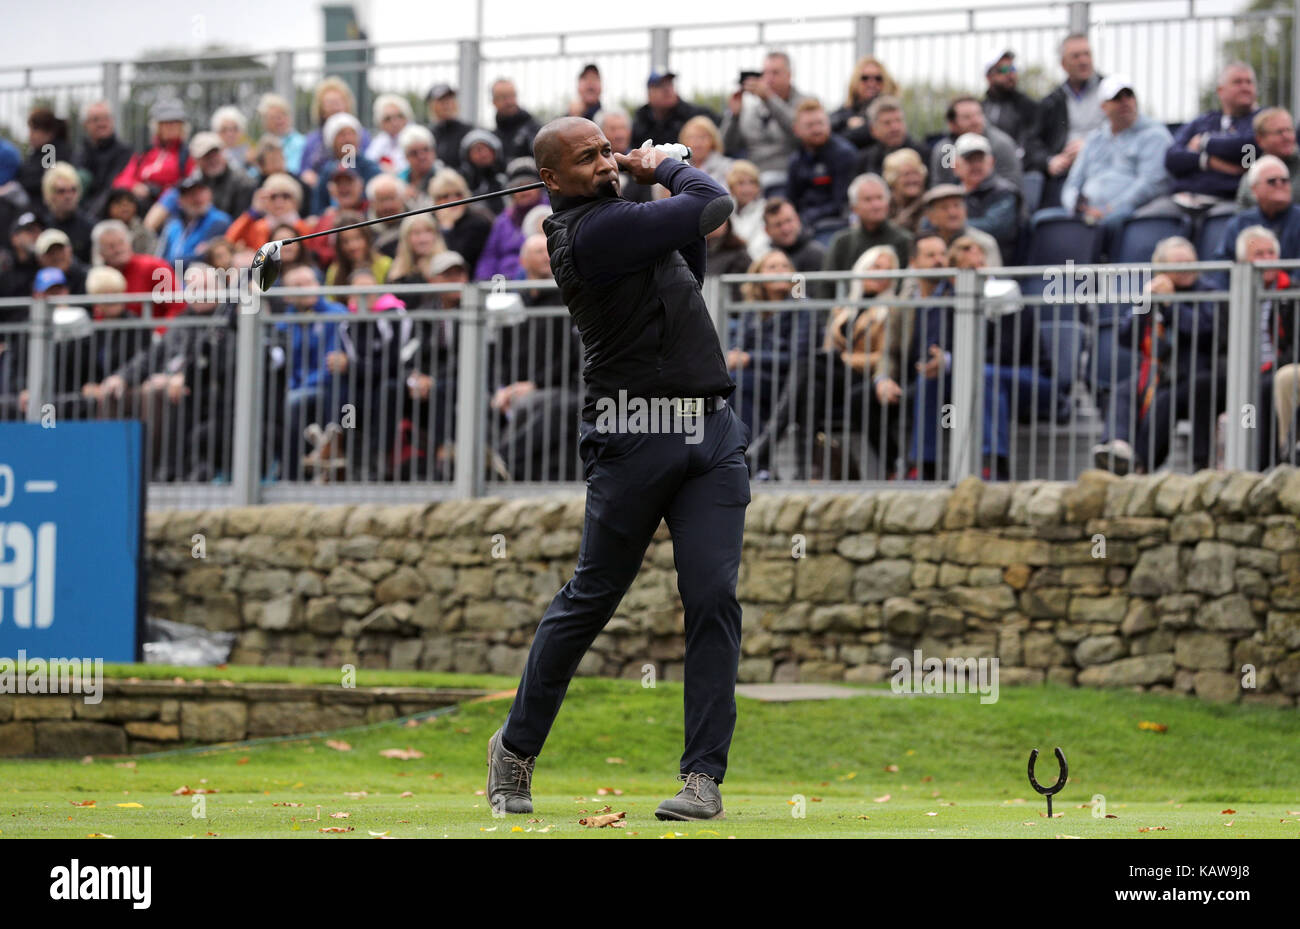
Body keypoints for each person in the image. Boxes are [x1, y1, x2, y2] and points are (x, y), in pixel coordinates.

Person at [488, 116, 749, 823]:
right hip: (633, 434)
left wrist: (653, 179)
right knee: (593, 595)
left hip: (709, 431)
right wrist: (663, 164)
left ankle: (702, 777)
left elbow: (688, 267)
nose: (605, 163)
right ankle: (514, 747)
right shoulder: (589, 233)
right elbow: (711, 204)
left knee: (713, 596)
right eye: (588, 157)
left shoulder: (629, 220)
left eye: (608, 150)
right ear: (552, 179)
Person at [1091, 236, 1222, 475]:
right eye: (1178, 264)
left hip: (1195, 375)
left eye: (1189, 262)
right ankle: (1117, 447)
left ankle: (1139, 465)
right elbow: (1125, 337)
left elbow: (1203, 330)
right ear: (1161, 268)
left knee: (1164, 401)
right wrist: (1144, 302)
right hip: (1159, 373)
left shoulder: (1209, 291)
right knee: (1122, 391)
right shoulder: (1155, 291)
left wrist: (1171, 304)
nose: (1186, 269)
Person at [489, 233, 584, 481]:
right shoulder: (513, 302)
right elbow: (502, 354)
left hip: (560, 386)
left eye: (548, 250)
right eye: (538, 252)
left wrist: (534, 385)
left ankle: (503, 459)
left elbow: (569, 356)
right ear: (522, 261)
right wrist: (504, 388)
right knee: (481, 402)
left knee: (539, 405)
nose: (545, 256)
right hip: (517, 387)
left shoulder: (568, 300)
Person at [726, 248, 808, 478]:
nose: (780, 271)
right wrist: (737, 355)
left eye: (785, 266)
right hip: (754, 379)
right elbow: (739, 346)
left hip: (789, 380)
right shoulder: (751, 310)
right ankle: (756, 463)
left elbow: (796, 356)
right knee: (736, 386)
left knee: (740, 384)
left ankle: (756, 462)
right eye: (773, 267)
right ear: (759, 275)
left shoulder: (802, 306)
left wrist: (750, 358)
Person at [1059, 76, 1172, 240]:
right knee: (1046, 223)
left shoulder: (1155, 135)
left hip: (1130, 212)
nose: (1125, 101)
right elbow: (1072, 184)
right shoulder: (1094, 139)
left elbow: (1150, 184)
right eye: (1117, 98)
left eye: (1129, 95)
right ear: (1103, 106)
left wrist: (1110, 209)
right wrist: (1075, 206)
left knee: (1106, 223)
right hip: (1088, 213)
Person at [272, 263, 350, 480]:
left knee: (293, 402)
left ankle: (308, 463)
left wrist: (301, 385)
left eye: (309, 282)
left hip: (329, 386)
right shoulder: (283, 323)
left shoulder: (336, 314)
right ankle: (292, 471)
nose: (306, 288)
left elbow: (332, 360)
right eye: (298, 285)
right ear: (287, 296)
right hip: (299, 386)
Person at [1027, 33, 1105, 209]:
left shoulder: (1112, 94)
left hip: (1104, 172)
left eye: (1087, 54)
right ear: (1063, 63)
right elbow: (1031, 144)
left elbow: (1125, 133)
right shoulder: (1052, 102)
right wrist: (1049, 160)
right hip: (1065, 175)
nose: (1083, 60)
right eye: (1076, 56)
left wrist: (1090, 146)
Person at [1164, 61, 1259, 206]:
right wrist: (1208, 161)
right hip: (1183, 198)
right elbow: (1172, 158)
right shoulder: (1203, 121)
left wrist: (1205, 142)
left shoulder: (1262, 119)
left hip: (1231, 200)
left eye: (1249, 82)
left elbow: (1249, 151)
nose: (1245, 87)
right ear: (1221, 91)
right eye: (1238, 82)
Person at [1208, 155, 1300, 289]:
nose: (1280, 184)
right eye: (1272, 181)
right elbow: (1221, 270)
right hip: (1244, 300)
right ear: (1254, 189)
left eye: (1285, 180)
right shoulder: (1240, 223)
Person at [720, 51, 809, 189]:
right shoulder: (750, 106)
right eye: (765, 73)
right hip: (750, 176)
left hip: (786, 174)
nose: (768, 79)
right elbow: (726, 147)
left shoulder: (804, 103)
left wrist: (770, 99)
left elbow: (799, 133)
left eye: (775, 73)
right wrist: (734, 117)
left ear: (789, 75)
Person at [821, 173, 913, 300]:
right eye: (868, 199)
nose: (875, 205)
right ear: (854, 208)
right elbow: (827, 286)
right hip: (848, 312)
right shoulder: (842, 242)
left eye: (879, 198)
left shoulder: (905, 240)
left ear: (888, 202)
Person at [145, 130, 255, 227]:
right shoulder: (193, 184)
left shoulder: (243, 183)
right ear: (196, 161)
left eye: (215, 153)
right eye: (206, 156)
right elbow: (158, 214)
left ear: (223, 153)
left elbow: (240, 224)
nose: (213, 160)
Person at [786, 100, 858, 236]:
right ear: (796, 129)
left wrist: (807, 217)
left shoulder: (844, 154)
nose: (817, 129)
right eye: (810, 125)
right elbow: (791, 200)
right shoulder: (795, 160)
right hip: (802, 223)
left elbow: (841, 203)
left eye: (820, 123)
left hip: (834, 224)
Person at [950, 134, 1021, 259]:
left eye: (980, 159)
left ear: (991, 162)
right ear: (955, 166)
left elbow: (995, 227)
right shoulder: (949, 193)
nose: (976, 165)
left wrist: (951, 226)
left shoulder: (1005, 192)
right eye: (969, 160)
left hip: (999, 264)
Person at [929, 96, 1023, 190]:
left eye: (978, 114)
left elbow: (1012, 187)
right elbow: (940, 188)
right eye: (966, 117)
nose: (975, 121)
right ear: (952, 124)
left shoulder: (1001, 145)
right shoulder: (946, 150)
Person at [475, 158, 546, 281]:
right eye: (518, 186)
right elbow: (489, 256)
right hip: (505, 283)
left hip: (542, 280)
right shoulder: (503, 221)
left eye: (529, 184)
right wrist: (484, 281)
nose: (524, 191)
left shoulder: (550, 213)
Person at [112, 98, 191, 208]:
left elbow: (190, 185)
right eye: (166, 123)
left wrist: (160, 191)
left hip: (170, 208)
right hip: (139, 204)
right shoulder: (146, 153)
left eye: (176, 122)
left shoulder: (186, 154)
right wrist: (135, 186)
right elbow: (121, 180)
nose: (171, 126)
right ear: (157, 126)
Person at [298, 77, 371, 189]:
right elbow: (304, 169)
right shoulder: (313, 140)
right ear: (320, 109)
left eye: (338, 102)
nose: (334, 107)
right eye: (329, 103)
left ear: (347, 104)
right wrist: (309, 176)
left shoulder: (359, 134)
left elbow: (360, 163)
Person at [224, 172, 312, 258]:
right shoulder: (258, 227)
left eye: (286, 196)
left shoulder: (303, 227)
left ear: (296, 201)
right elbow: (229, 241)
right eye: (273, 197)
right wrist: (253, 212)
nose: (279, 202)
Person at [310, 113, 381, 216]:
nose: (348, 139)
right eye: (341, 135)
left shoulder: (370, 168)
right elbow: (317, 209)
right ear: (332, 141)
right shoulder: (326, 171)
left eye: (352, 134)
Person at [916, 184, 1002, 266]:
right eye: (944, 207)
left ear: (966, 210)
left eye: (957, 205)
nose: (952, 213)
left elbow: (994, 279)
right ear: (931, 216)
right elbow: (912, 278)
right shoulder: (923, 245)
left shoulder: (984, 243)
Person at [631, 69, 720, 146]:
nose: (667, 90)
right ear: (649, 93)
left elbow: (722, 135)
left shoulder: (696, 115)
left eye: (669, 84)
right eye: (660, 85)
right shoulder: (640, 121)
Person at [157, 173, 231, 264]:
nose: (197, 198)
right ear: (180, 201)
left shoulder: (219, 222)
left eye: (200, 192)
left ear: (209, 194)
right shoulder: (173, 226)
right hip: (168, 275)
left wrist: (169, 264)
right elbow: (160, 258)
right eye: (190, 194)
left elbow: (203, 258)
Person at [75, 101, 133, 218]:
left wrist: (88, 218)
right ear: (85, 124)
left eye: (106, 118)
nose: (102, 124)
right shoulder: (80, 153)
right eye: (96, 119)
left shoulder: (124, 152)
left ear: (112, 121)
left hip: (107, 213)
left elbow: (110, 188)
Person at [429, 168, 493, 272]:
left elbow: (458, 261)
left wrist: (447, 229)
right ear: (436, 201)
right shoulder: (429, 221)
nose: (452, 200)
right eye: (445, 196)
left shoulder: (478, 221)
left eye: (458, 194)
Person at [304, 166, 367, 269]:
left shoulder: (370, 212)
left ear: (360, 186)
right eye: (339, 184)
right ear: (331, 190)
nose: (344, 188)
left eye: (349, 183)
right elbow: (313, 250)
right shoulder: (325, 219)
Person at [830, 56, 899, 150]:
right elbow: (827, 126)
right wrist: (846, 122)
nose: (871, 83)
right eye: (865, 78)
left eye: (878, 78)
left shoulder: (890, 108)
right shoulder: (848, 108)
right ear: (855, 81)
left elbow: (866, 133)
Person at [1238, 108, 1300, 208]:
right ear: (1260, 139)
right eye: (1279, 132)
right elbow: (1242, 219)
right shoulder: (1251, 178)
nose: (1287, 137)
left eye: (1289, 130)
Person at [36, 162, 95, 263]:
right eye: (61, 191)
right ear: (49, 195)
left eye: (73, 190)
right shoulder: (41, 226)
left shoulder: (90, 227)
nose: (68, 196)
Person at [982, 50, 1038, 155]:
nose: (1010, 74)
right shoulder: (980, 109)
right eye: (1003, 70)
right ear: (989, 76)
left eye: (1012, 69)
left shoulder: (1027, 106)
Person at [17, 108, 74, 206]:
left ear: (48, 133)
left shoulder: (51, 150)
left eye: (34, 130)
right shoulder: (38, 151)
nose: (30, 135)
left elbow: (45, 179)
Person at [324, 210, 392, 286]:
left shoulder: (385, 264)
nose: (353, 246)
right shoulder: (334, 272)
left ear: (366, 238)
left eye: (357, 238)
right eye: (345, 241)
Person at [762, 197, 826, 272]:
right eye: (778, 225)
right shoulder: (763, 257)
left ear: (798, 220)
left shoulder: (816, 254)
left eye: (789, 221)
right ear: (767, 230)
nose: (785, 229)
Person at [386, 213, 447, 292]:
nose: (423, 239)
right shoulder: (395, 275)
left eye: (428, 231)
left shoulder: (450, 267)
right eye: (416, 233)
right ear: (406, 238)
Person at [458, 129, 509, 214]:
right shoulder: (463, 182)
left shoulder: (504, 178)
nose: (483, 154)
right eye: (477, 150)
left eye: (487, 149)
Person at [725, 160, 769, 259]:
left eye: (752, 182)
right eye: (741, 183)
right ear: (731, 188)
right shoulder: (725, 212)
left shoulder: (766, 210)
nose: (747, 188)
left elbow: (761, 245)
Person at [492, 79, 542, 164]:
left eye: (512, 96)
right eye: (504, 97)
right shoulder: (492, 137)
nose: (509, 102)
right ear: (494, 102)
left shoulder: (535, 131)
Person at [256, 93, 306, 176]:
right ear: (265, 122)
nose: (279, 120)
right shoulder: (263, 145)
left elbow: (296, 169)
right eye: (273, 117)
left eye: (282, 115)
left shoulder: (301, 142)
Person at [883, 148, 928, 235]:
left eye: (916, 173)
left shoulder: (929, 204)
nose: (913, 179)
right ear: (892, 179)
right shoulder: (884, 206)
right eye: (906, 174)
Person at [426, 83, 471, 171]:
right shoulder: (427, 135)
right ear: (432, 106)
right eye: (441, 101)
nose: (447, 105)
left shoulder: (469, 132)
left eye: (450, 99)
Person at [366, 94, 413, 174]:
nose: (394, 122)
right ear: (380, 123)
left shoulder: (415, 139)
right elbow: (369, 163)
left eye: (399, 116)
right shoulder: (378, 142)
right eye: (388, 119)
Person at [678, 116, 732, 185]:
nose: (697, 143)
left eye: (702, 137)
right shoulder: (677, 167)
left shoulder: (727, 168)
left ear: (713, 140)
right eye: (692, 137)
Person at [101, 189, 155, 257]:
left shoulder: (144, 233)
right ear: (109, 207)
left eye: (130, 201)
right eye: (118, 202)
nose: (125, 205)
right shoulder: (100, 230)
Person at [366, 173, 409, 257]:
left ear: (402, 198)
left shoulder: (416, 219)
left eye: (391, 198)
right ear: (372, 203)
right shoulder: (365, 229)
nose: (388, 206)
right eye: (382, 200)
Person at [398, 125, 439, 207]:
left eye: (426, 149)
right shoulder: (399, 181)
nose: (421, 156)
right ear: (406, 157)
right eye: (414, 153)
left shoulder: (444, 177)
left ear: (433, 151)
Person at [211, 106, 251, 173]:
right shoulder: (211, 155)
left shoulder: (249, 154)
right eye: (224, 130)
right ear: (217, 133)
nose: (230, 134)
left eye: (235, 129)